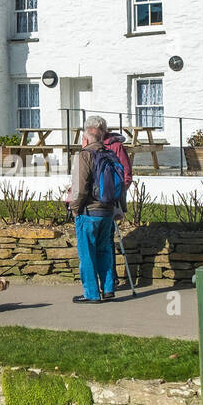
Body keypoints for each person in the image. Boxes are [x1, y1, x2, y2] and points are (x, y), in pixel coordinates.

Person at [68, 115, 119, 303]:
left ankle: (91, 293)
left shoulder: (84, 155)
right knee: (105, 250)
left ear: (86, 136)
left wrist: (74, 208)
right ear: (102, 134)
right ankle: (108, 289)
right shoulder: (110, 154)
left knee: (87, 255)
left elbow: (80, 187)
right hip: (107, 211)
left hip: (88, 212)